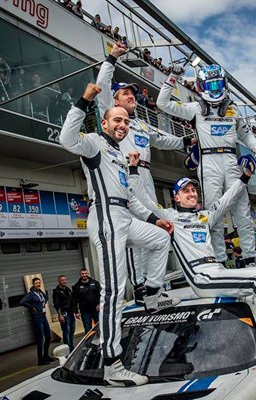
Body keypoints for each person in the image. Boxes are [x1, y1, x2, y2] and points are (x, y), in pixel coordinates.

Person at [128, 151, 256, 360]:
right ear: (176, 197)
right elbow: (144, 199)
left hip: (217, 270)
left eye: (193, 190)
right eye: (185, 191)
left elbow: (226, 200)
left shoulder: (204, 217)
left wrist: (244, 177)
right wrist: (134, 170)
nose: (191, 193)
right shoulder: (169, 217)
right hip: (201, 278)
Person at [59, 83, 180, 386]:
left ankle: (151, 294)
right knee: (113, 290)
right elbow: (66, 138)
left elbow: (133, 199)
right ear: (104, 122)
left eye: (126, 121)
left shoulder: (119, 155)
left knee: (160, 238)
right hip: (105, 217)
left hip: (124, 214)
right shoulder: (94, 144)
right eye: (117, 120)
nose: (123, 125)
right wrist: (84, 100)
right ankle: (112, 363)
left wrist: (156, 219)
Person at [95, 42, 193, 304]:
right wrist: (112, 58)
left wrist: (187, 142)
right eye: (126, 93)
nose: (131, 96)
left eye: (132, 94)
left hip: (147, 179)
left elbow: (164, 140)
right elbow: (102, 88)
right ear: (114, 101)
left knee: (156, 229)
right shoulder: (109, 112)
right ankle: (139, 287)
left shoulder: (139, 124)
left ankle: (153, 287)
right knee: (133, 232)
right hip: (125, 175)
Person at [157, 63, 256, 268]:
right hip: (208, 162)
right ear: (201, 86)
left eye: (218, 84)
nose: (215, 89)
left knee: (242, 212)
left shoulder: (233, 110)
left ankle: (249, 258)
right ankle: (220, 259)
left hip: (230, 161)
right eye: (211, 85)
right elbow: (163, 103)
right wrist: (172, 77)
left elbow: (245, 133)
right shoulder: (195, 108)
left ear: (225, 83)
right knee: (214, 214)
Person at [20, 277, 55, 365]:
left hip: (43, 316)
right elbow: (22, 302)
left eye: (39, 283)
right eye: (36, 283)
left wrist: (41, 304)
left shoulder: (40, 292)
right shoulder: (31, 294)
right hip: (37, 317)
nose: (38, 284)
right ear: (33, 284)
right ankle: (40, 360)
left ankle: (46, 356)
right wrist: (32, 307)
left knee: (48, 336)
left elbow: (46, 298)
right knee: (40, 339)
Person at [72, 268, 100, 333]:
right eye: (82, 274)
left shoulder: (95, 283)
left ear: (88, 273)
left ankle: (101, 342)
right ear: (80, 275)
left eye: (85, 273)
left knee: (100, 327)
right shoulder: (76, 286)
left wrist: (99, 304)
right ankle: (89, 342)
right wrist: (76, 312)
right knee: (88, 329)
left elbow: (100, 295)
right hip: (85, 312)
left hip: (96, 309)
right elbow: (74, 300)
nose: (84, 275)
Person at [53, 275, 75, 351]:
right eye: (62, 280)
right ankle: (67, 350)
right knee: (66, 332)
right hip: (64, 313)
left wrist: (76, 311)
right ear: (59, 281)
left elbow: (72, 302)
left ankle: (71, 347)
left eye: (65, 280)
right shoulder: (57, 292)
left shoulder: (68, 290)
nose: (64, 281)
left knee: (72, 331)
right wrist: (60, 315)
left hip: (71, 313)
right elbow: (56, 304)